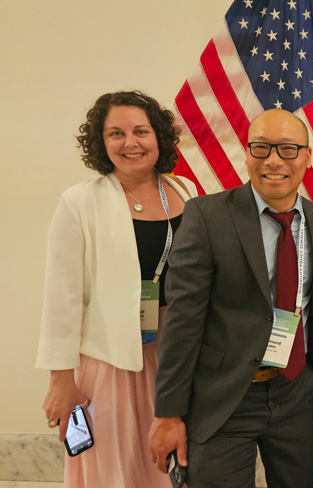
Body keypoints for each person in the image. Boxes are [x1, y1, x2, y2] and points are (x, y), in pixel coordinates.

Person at [148, 109, 313, 488]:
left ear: (306, 157)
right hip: (224, 397)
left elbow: (301, 296)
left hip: (295, 393)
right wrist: (169, 412)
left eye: (288, 149)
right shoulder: (207, 215)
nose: (273, 160)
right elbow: (183, 319)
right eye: (261, 147)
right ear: (247, 154)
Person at [36, 91, 198, 487]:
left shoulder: (187, 193)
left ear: (158, 137)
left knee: (169, 471)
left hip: (177, 359)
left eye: (141, 131)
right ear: (100, 142)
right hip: (110, 366)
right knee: (113, 473)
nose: (130, 142)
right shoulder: (79, 202)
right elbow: (62, 297)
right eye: (116, 133)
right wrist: (61, 381)